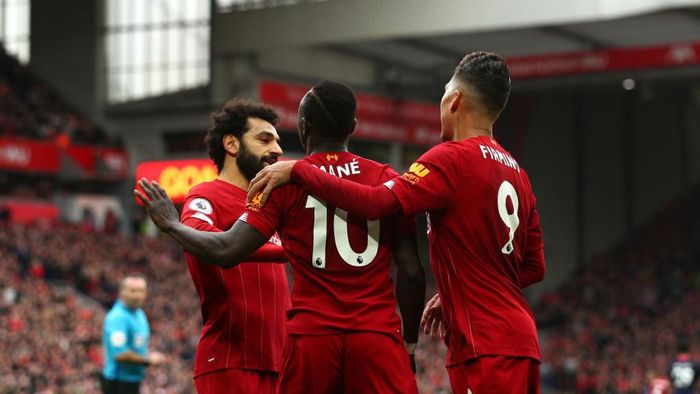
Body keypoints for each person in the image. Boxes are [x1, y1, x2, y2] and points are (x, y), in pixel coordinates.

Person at [246, 52, 546, 393]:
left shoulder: (449, 159)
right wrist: (456, 294)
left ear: (455, 100)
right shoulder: (517, 172)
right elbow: (534, 266)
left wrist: (300, 170)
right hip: (523, 340)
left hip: (485, 344)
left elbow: (377, 203)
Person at [135, 80, 426, 393]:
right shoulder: (385, 179)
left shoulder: (282, 182)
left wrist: (171, 224)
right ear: (353, 126)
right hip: (375, 336)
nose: (274, 149)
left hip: (310, 340)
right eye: (264, 139)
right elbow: (410, 270)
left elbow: (228, 248)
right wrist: (409, 344)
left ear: (303, 127)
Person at [179, 99, 291, 393]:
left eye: (277, 141)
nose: (277, 150)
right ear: (231, 144)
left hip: (282, 364)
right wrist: (290, 250)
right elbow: (197, 235)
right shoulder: (206, 195)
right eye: (264, 139)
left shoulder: (271, 204)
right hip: (231, 363)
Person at [102, 274, 166, 394]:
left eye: (141, 291)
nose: (137, 295)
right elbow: (119, 354)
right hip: (118, 382)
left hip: (133, 379)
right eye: (132, 291)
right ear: (121, 292)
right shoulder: (118, 317)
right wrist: (148, 359)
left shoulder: (139, 313)